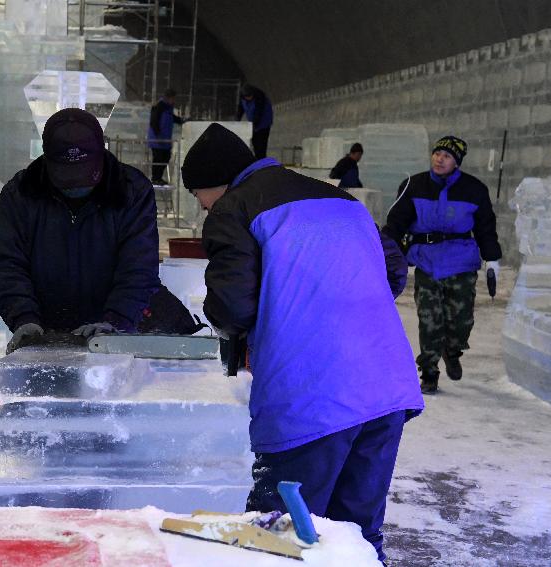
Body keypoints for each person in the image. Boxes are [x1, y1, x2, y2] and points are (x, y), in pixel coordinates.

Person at [181, 123, 424, 564]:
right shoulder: (339, 198)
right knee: (355, 540)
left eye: (199, 194)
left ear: (215, 183)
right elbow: (393, 271)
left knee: (281, 539)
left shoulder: (234, 207)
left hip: (310, 396)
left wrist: (238, 327)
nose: (201, 205)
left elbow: (232, 305)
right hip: (385, 386)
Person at [0, 108, 161, 353]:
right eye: (65, 178)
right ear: (47, 160)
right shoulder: (21, 194)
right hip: (41, 334)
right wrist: (23, 317)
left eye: (85, 176)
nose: (75, 186)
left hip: (112, 334)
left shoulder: (132, 191)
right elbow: (7, 264)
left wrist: (115, 322)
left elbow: (139, 267)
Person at [383, 135, 502, 394]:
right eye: (437, 153)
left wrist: (492, 259)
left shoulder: (474, 190)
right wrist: (384, 253)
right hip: (427, 261)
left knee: (461, 321)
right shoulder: (413, 185)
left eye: (447, 156)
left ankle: (453, 349)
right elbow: (395, 224)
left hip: (461, 262)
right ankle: (429, 371)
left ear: (457, 162)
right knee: (429, 319)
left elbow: (485, 228)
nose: (439, 159)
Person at [147, 88, 185, 185]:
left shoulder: (168, 108)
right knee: (158, 159)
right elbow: (154, 121)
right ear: (169, 97)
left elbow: (172, 118)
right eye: (173, 98)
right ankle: (155, 178)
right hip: (158, 140)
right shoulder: (159, 106)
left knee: (166, 157)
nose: (174, 101)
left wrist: (182, 120)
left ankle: (158, 178)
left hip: (165, 140)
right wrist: (157, 135)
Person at [236, 84, 273, 159]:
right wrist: (237, 121)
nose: (249, 98)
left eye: (250, 96)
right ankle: (256, 160)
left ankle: (261, 160)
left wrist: (254, 124)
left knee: (261, 146)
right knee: (255, 145)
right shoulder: (242, 98)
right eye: (247, 97)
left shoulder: (260, 97)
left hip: (264, 125)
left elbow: (258, 112)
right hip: (253, 124)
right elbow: (240, 110)